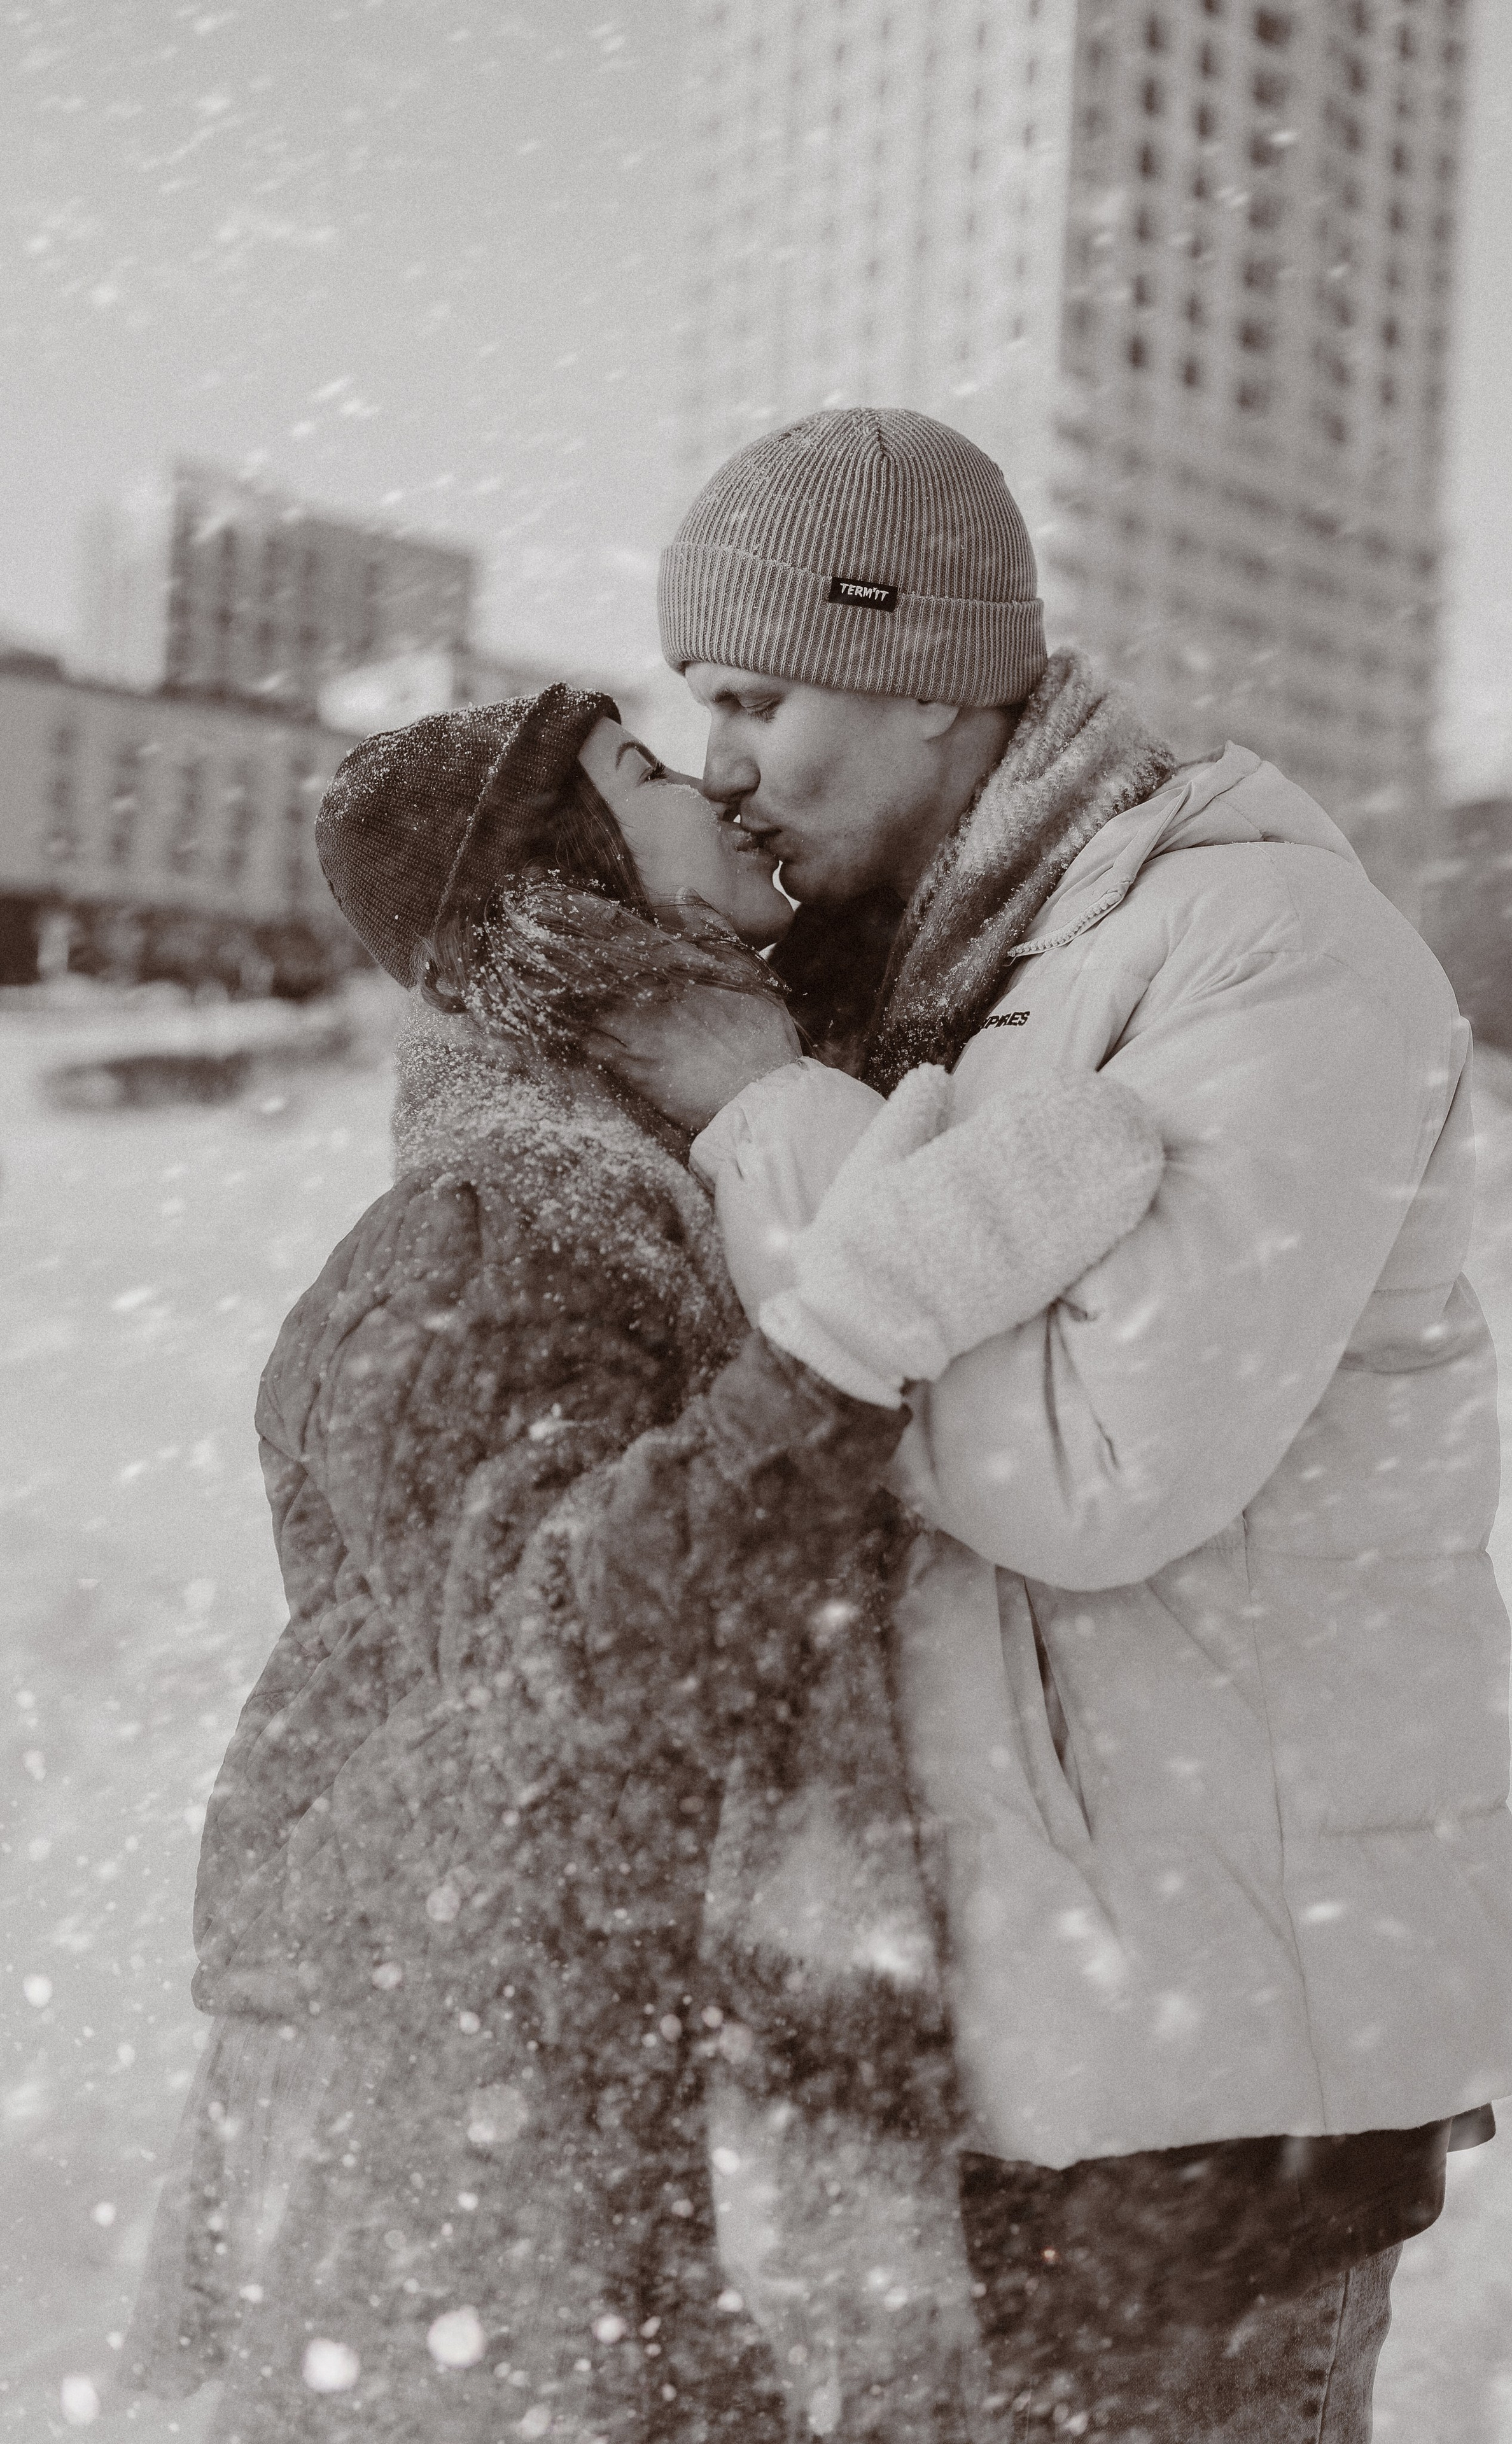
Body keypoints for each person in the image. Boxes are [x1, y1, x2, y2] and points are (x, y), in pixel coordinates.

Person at [124, 682, 1165, 2444]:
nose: (720, 786)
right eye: (647, 771)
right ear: (571, 885)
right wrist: (868, 1322)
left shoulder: (656, 1191)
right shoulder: (487, 1232)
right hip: (517, 2174)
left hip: (622, 2135)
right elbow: (573, 1662)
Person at [650, 407, 1512, 2443]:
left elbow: (1092, 1472)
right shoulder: (963, 968)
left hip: (1210, 2087)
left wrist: (758, 1107)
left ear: (926, 668)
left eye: (755, 697)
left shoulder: (1271, 952)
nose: (718, 766)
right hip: (1009, 2043)